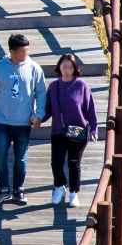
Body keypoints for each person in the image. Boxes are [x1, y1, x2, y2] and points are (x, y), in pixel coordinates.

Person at [0, 33, 47, 205]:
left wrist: (39, 114)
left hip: (23, 123)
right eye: (22, 51)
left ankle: (18, 189)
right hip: (2, 122)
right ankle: (3, 188)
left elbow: (41, 93)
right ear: (12, 51)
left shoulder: (34, 68)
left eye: (27, 50)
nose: (25, 54)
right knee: (0, 156)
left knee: (20, 159)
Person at [45, 52, 98, 207]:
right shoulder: (53, 86)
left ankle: (73, 192)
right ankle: (60, 186)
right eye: (64, 66)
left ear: (75, 69)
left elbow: (90, 109)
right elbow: (48, 110)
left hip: (78, 130)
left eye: (70, 67)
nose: (67, 70)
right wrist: (37, 119)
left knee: (74, 163)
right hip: (59, 130)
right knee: (56, 162)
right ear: (59, 67)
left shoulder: (82, 86)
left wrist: (94, 129)